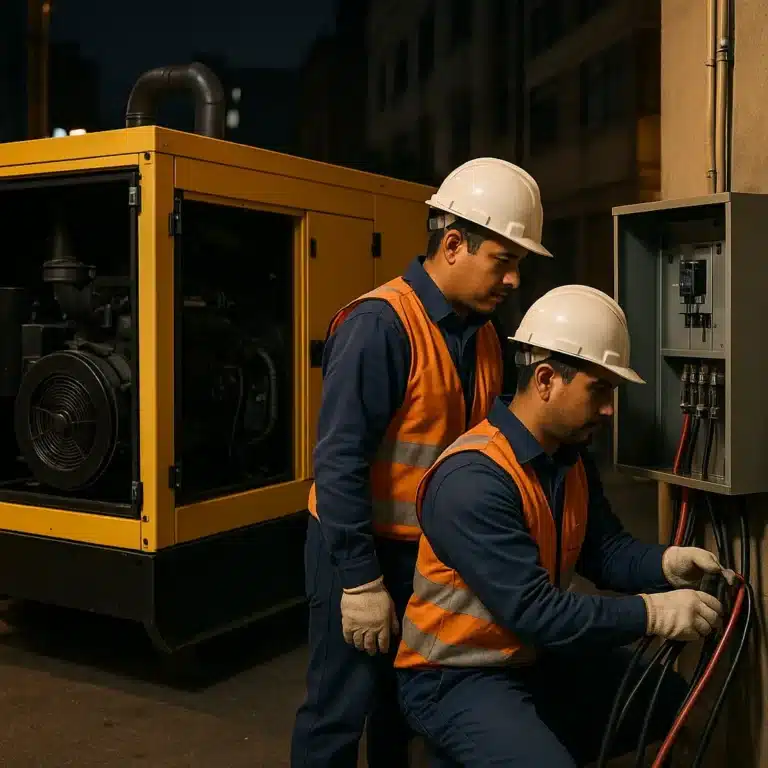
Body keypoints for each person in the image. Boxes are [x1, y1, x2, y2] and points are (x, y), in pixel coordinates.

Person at [394, 284, 731, 767]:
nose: (610, 408)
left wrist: (667, 565)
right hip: (455, 676)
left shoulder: (568, 457)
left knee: (668, 702)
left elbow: (606, 551)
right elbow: (536, 612)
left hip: (532, 659)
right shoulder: (473, 480)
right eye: (599, 390)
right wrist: (651, 613)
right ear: (547, 379)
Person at [290, 158, 554, 768]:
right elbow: (338, 463)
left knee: (400, 708)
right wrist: (359, 581)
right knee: (337, 711)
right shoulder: (380, 325)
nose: (513, 281)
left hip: (429, 559)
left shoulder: (483, 334)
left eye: (518, 265)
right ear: (454, 244)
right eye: (504, 261)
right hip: (358, 550)